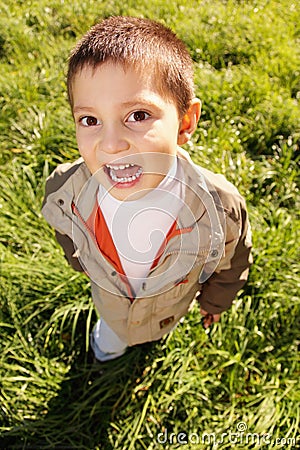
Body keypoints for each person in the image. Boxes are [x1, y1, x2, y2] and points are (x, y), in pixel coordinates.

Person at [42, 16, 252, 362]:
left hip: (170, 309)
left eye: (138, 115)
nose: (111, 145)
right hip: (111, 307)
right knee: (110, 340)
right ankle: (106, 351)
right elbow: (63, 227)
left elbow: (234, 261)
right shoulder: (67, 189)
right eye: (90, 120)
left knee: (157, 331)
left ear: (185, 122)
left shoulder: (221, 207)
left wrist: (214, 302)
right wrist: (80, 261)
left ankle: (150, 339)